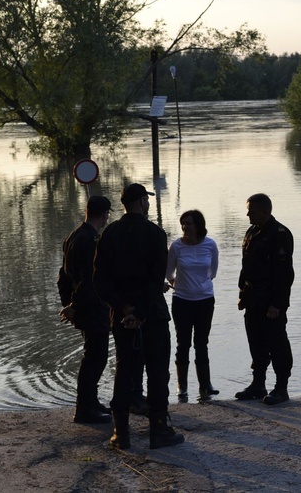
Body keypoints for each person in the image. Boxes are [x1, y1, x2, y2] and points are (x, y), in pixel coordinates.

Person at [93, 183, 184, 450]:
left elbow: (99, 279)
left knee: (125, 371)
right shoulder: (155, 233)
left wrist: (124, 308)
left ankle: (121, 434)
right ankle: (159, 430)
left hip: (122, 318)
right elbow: (157, 279)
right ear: (143, 201)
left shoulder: (109, 233)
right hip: (152, 315)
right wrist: (141, 312)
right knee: (157, 372)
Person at [57, 195, 113, 424]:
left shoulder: (73, 236)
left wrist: (67, 303)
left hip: (82, 306)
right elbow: (89, 280)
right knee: (96, 357)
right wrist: (74, 306)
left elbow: (63, 276)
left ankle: (91, 401)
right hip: (91, 306)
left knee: (94, 354)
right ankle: (84, 408)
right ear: (104, 215)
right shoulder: (90, 241)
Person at [235, 193, 295, 406]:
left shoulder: (280, 234)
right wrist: (242, 293)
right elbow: (246, 266)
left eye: (251, 210)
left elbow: (284, 274)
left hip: (271, 300)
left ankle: (281, 387)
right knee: (256, 341)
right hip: (252, 298)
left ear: (265, 211)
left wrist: (277, 304)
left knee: (276, 342)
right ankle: (258, 383)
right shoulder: (252, 231)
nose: (247, 214)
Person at [165, 209, 220, 403]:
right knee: (183, 344)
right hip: (182, 301)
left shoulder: (210, 245)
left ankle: (206, 385)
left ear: (198, 225)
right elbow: (169, 273)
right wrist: (180, 284)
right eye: (183, 223)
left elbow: (212, 272)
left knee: (201, 344)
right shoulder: (176, 246)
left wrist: (198, 285)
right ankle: (182, 387)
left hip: (205, 300)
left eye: (188, 223)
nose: (185, 227)